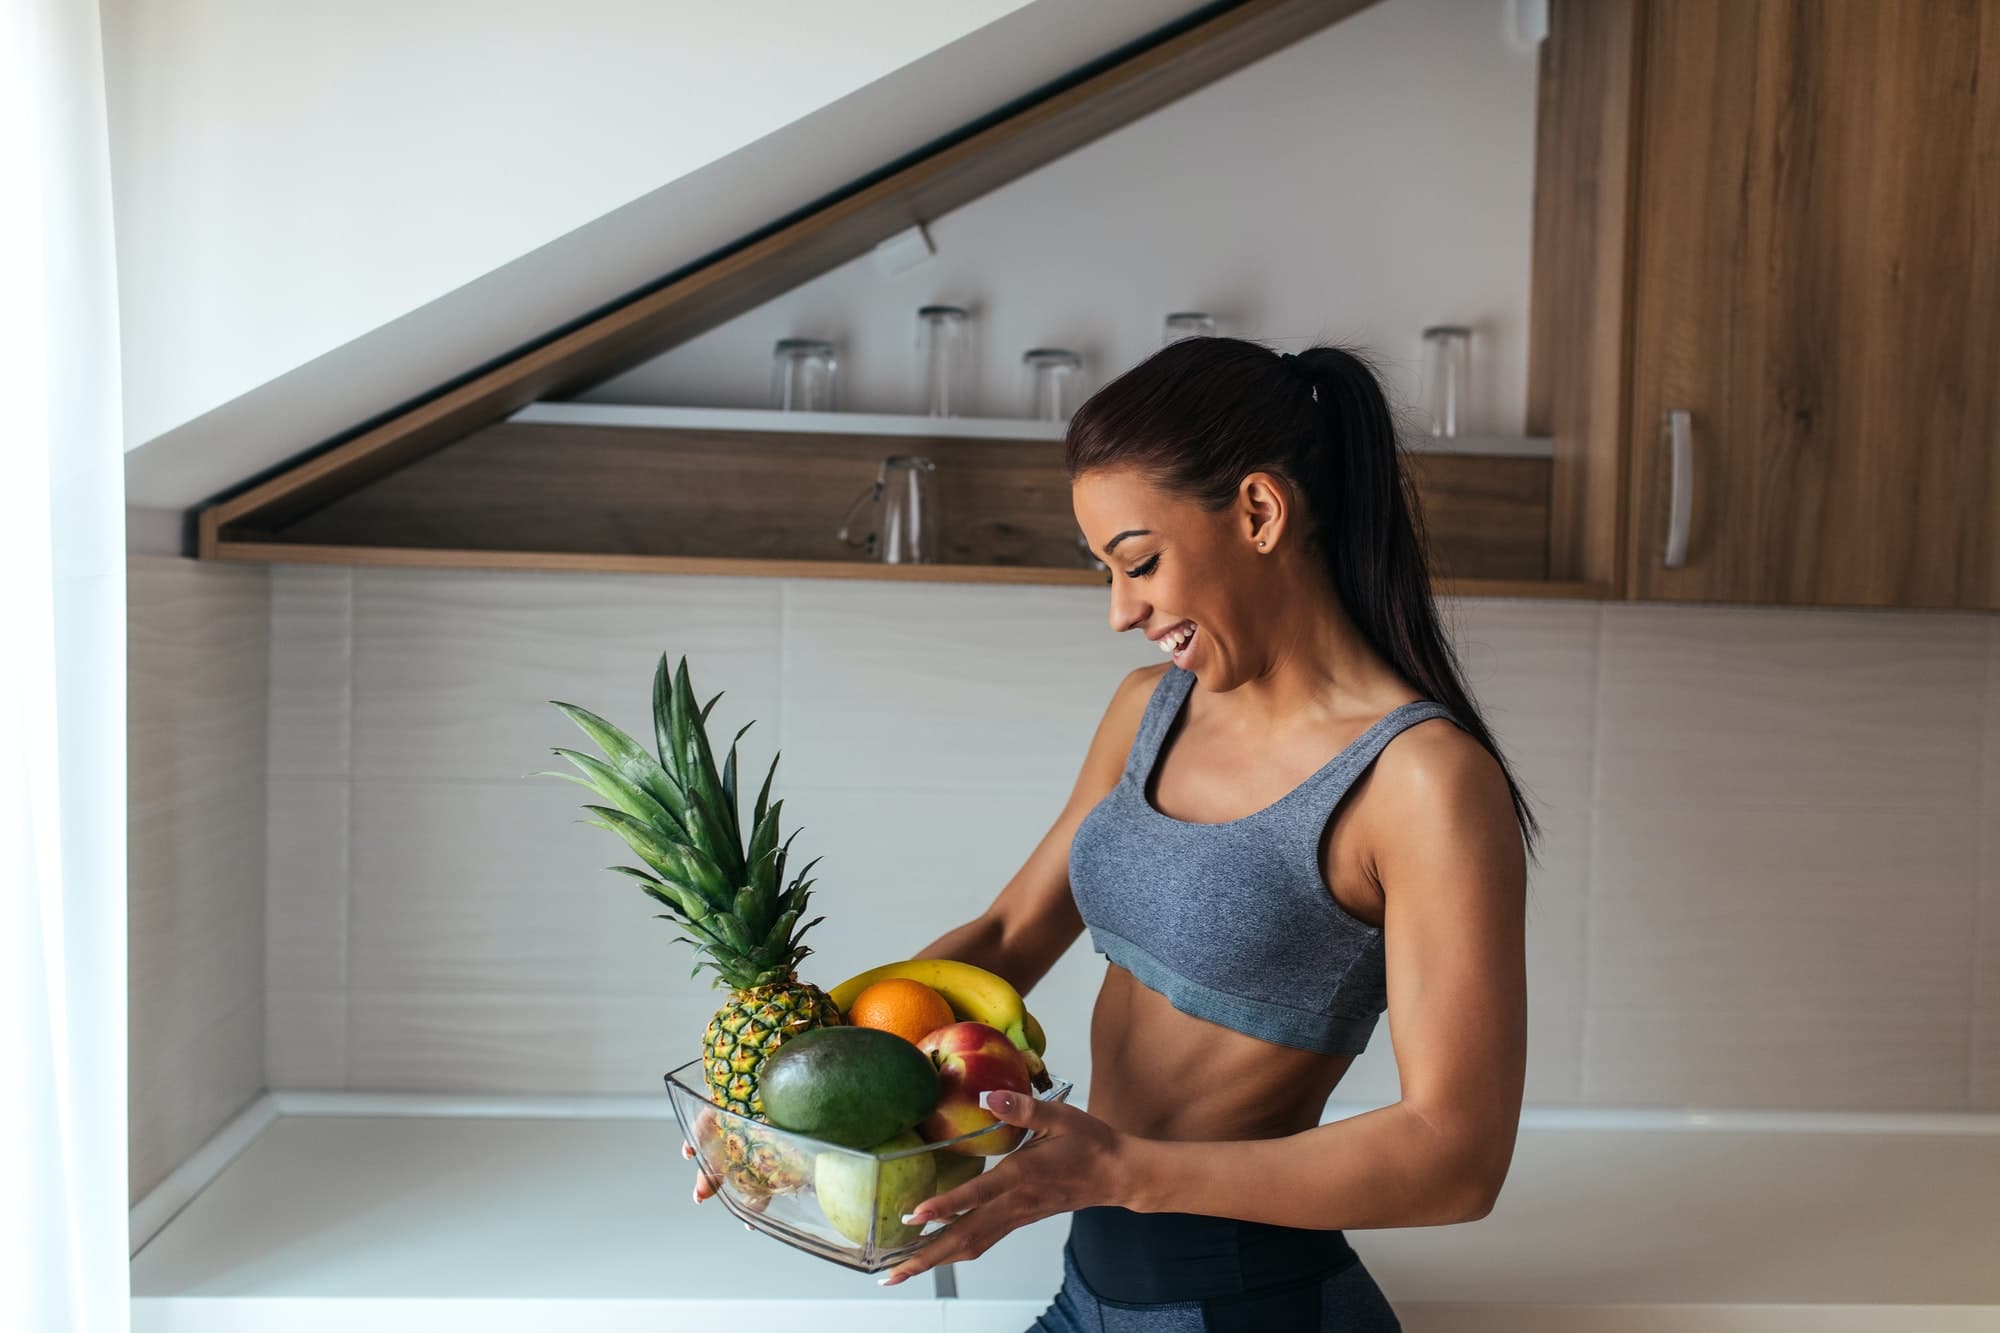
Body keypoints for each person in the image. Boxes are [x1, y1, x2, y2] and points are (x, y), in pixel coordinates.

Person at [690, 337, 1533, 1330]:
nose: (1119, 610)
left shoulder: (1422, 780)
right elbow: (1008, 936)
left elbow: (1454, 1156)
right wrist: (790, 1086)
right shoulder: (1148, 710)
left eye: (1139, 562)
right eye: (1104, 569)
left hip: (1246, 1302)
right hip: (1092, 1289)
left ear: (1259, 511)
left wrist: (1121, 1171)